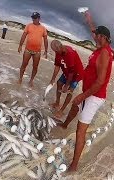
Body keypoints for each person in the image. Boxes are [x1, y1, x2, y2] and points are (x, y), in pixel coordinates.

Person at [59, 11, 113, 172]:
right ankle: (64, 124)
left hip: (94, 96)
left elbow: (100, 82)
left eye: (97, 37)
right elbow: (94, 30)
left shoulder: (104, 53)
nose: (94, 39)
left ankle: (74, 165)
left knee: (80, 130)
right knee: (75, 106)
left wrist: (82, 95)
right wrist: (89, 20)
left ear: (104, 38)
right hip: (88, 91)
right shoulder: (100, 47)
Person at [49, 40, 84, 119]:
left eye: (56, 51)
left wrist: (67, 85)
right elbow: (57, 66)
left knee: (69, 91)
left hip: (76, 74)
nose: (56, 52)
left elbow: (72, 72)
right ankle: (57, 103)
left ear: (60, 47)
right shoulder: (58, 52)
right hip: (67, 72)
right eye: (55, 51)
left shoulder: (70, 53)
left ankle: (62, 110)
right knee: (59, 83)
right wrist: (53, 78)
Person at [18, 12, 48, 87]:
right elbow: (23, 35)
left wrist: (46, 51)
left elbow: (45, 40)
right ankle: (20, 78)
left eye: (35, 18)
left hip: (37, 52)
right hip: (27, 50)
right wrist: (20, 45)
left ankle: (31, 80)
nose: (33, 19)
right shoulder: (28, 26)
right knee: (24, 64)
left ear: (38, 18)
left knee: (35, 67)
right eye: (32, 18)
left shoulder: (43, 28)